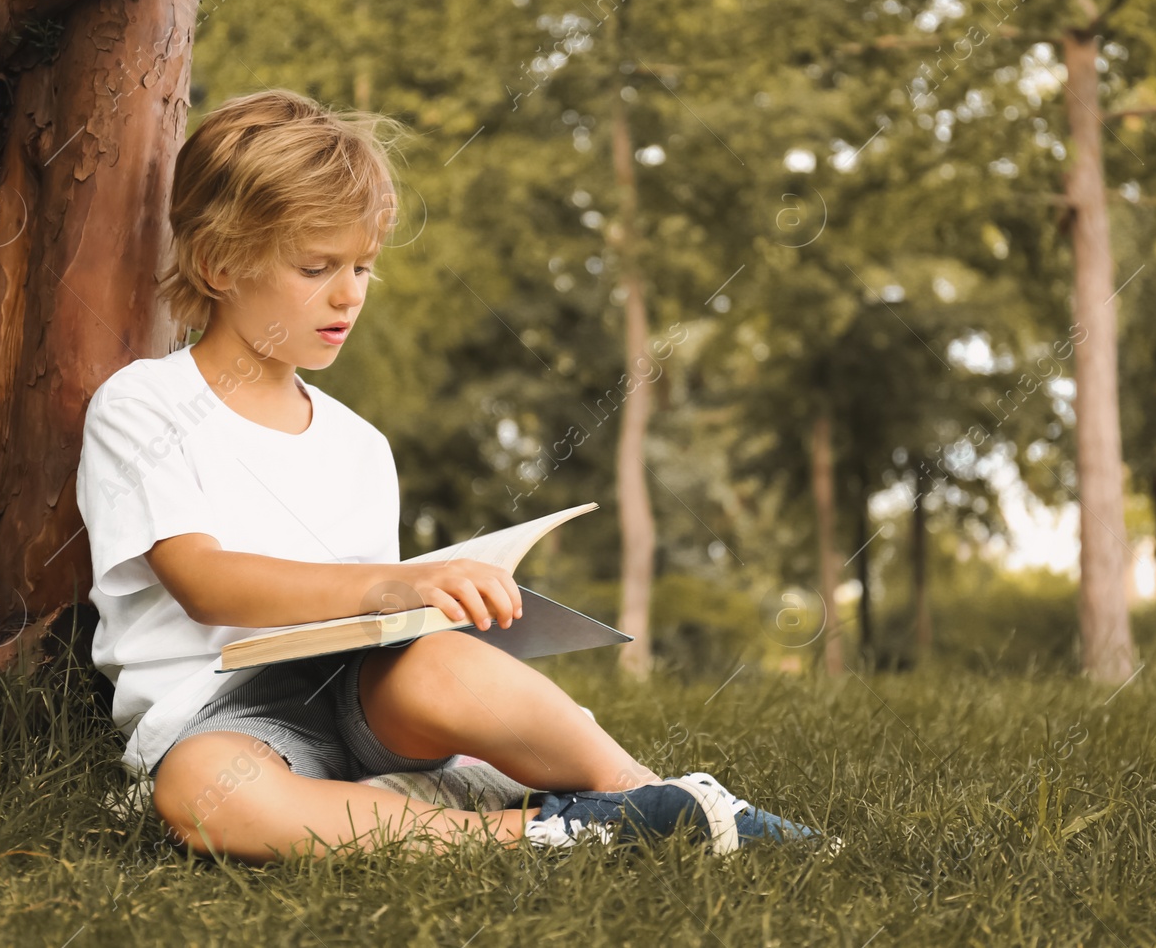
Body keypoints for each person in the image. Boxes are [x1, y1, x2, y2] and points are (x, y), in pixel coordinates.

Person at [74, 88, 830, 865]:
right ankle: (550, 831)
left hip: (362, 696)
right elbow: (205, 579)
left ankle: (659, 796)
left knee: (445, 664)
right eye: (317, 266)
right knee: (205, 797)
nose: (350, 293)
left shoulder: (359, 444)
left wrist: (429, 600)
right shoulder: (144, 403)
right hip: (225, 721)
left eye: (363, 265)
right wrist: (393, 585)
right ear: (219, 262)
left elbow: (379, 634)